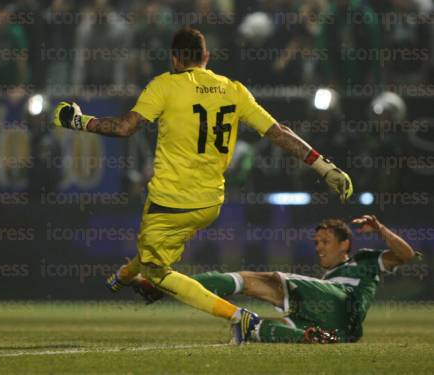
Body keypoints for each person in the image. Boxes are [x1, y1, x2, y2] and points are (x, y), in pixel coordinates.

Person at [52, 28, 353, 344]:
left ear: (175, 58)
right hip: (210, 203)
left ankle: (241, 318)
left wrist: (78, 121)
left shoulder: (164, 86)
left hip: (170, 201)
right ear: (206, 57)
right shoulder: (232, 89)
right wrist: (324, 166)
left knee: (158, 271)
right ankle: (125, 276)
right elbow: (278, 132)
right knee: (154, 250)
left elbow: (125, 128)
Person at [132, 215, 419, 344]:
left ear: (345, 244)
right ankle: (308, 338)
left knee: (252, 280)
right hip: (345, 332)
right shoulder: (328, 277)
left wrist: (379, 228)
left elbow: (405, 254)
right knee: (253, 329)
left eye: (325, 241)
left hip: (340, 300)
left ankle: (166, 284)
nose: (319, 247)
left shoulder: (365, 261)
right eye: (316, 242)